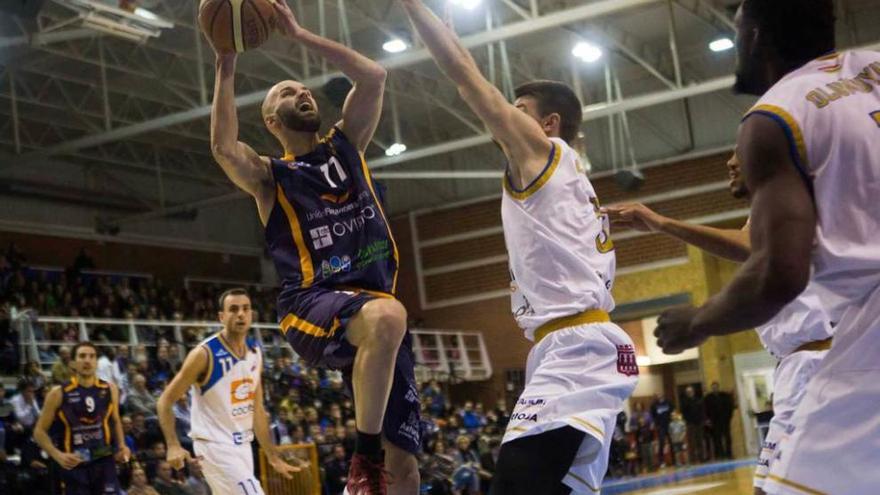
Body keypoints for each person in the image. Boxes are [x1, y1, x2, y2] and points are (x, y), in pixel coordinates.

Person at [399, 2, 639, 494]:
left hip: (578, 347)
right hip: (570, 344)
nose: (507, 116)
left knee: (518, 480)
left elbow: (466, 78)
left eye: (520, 110)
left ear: (548, 124)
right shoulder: (568, 176)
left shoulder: (543, 154)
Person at [653, 1, 880, 493]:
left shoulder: (777, 114)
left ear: (753, 37)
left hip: (853, 342)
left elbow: (779, 270)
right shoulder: (871, 68)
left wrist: (696, 322)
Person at [208, 2, 420, 493]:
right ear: (271, 121)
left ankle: (376, 461)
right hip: (311, 304)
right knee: (390, 316)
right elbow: (223, 147)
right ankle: (362, 458)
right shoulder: (270, 177)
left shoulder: (347, 147)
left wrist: (298, 33)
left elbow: (374, 76)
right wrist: (226, 60)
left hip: (372, 308)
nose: (301, 91)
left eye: (304, 88)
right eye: (287, 92)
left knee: (405, 463)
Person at [605, 150, 833, 491]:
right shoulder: (772, 208)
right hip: (802, 367)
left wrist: (662, 223)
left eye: (740, 152)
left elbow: (750, 246)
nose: (730, 162)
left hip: (818, 366)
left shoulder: (795, 194)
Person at [156, 289, 298, 495]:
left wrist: (272, 456)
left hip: (243, 447)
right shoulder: (204, 354)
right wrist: (172, 445)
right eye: (233, 309)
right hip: (214, 446)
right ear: (221, 317)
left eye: (245, 309)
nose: (240, 314)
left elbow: (256, 409)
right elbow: (165, 401)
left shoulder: (255, 351)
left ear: (251, 315)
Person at [32, 341, 131, 494]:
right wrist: (57, 455)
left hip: (103, 460)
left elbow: (115, 420)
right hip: (74, 464)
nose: (87, 360)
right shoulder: (58, 393)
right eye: (82, 356)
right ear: (72, 363)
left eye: (92, 356)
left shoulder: (110, 389)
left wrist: (122, 446)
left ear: (96, 362)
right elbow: (39, 432)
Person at [679, 386, 706, 464]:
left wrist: (702, 420)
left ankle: (701, 457)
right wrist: (686, 421)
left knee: (700, 441)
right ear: (686, 393)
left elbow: (702, 411)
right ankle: (693, 459)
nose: (689, 393)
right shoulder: (684, 402)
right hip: (690, 424)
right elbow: (682, 413)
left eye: (691, 391)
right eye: (688, 392)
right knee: (691, 442)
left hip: (698, 423)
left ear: (693, 392)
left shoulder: (698, 400)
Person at [649, 394, 673, 467]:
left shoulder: (668, 403)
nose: (659, 397)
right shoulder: (654, 405)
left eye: (661, 396)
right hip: (660, 426)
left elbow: (672, 412)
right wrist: (655, 423)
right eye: (658, 396)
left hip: (669, 425)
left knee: (672, 442)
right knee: (661, 443)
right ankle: (661, 461)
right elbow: (652, 415)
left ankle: (674, 460)